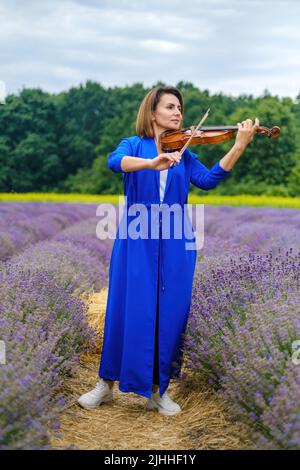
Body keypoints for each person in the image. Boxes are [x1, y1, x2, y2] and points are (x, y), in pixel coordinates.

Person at [78, 85, 259, 416]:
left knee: (171, 312)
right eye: (170, 107)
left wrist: (239, 146)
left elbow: (207, 180)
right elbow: (114, 162)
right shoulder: (134, 145)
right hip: (137, 238)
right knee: (126, 307)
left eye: (180, 108)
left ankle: (160, 391)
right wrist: (152, 163)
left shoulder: (186, 153)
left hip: (177, 240)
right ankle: (106, 385)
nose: (178, 113)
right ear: (152, 112)